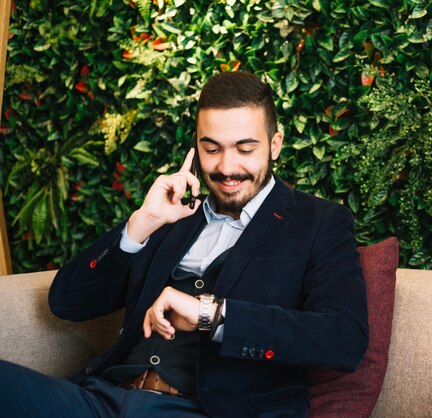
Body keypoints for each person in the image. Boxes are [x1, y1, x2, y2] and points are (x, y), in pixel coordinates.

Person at [0, 71, 368, 417]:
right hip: (100, 399)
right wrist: (141, 223)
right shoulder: (172, 213)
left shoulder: (318, 222)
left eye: (245, 148)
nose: (227, 167)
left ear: (275, 145)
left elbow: (344, 338)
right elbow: (66, 302)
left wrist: (212, 315)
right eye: (212, 148)